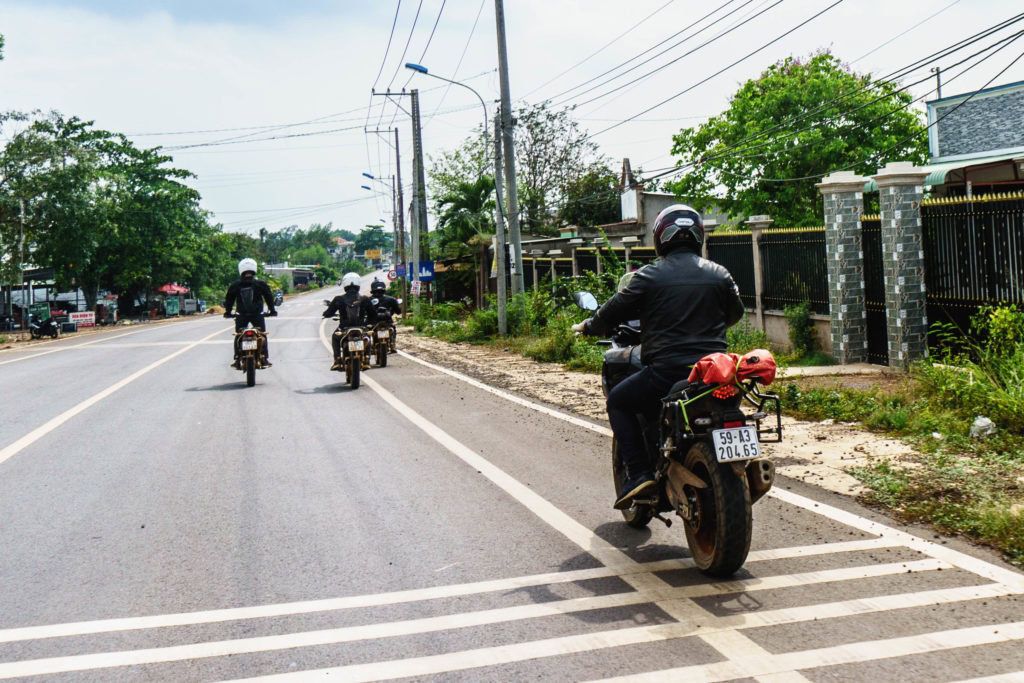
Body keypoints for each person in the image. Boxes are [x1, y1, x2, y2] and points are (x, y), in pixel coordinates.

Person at [572, 205, 745, 510]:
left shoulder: (650, 275)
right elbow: (735, 313)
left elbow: (613, 310)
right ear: (698, 236)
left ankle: (639, 473)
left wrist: (589, 325)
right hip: (714, 372)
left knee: (618, 402)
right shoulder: (720, 273)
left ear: (660, 238)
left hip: (667, 372)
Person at [224, 258, 278, 368]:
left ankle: (237, 358)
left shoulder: (235, 285)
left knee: (239, 336)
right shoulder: (261, 284)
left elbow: (229, 300)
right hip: (257, 315)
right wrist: (272, 311)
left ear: (241, 270)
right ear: (254, 269)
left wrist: (228, 312)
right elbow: (269, 298)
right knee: (262, 335)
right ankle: (264, 358)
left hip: (241, 315)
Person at [323, 272, 374, 370]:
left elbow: (328, 312)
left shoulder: (339, 299)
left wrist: (326, 314)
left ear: (344, 285)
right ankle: (367, 359)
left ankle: (337, 360)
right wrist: (369, 323)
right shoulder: (364, 299)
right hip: (361, 327)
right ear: (358, 284)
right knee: (367, 337)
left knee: (335, 337)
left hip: (344, 328)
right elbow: (373, 314)